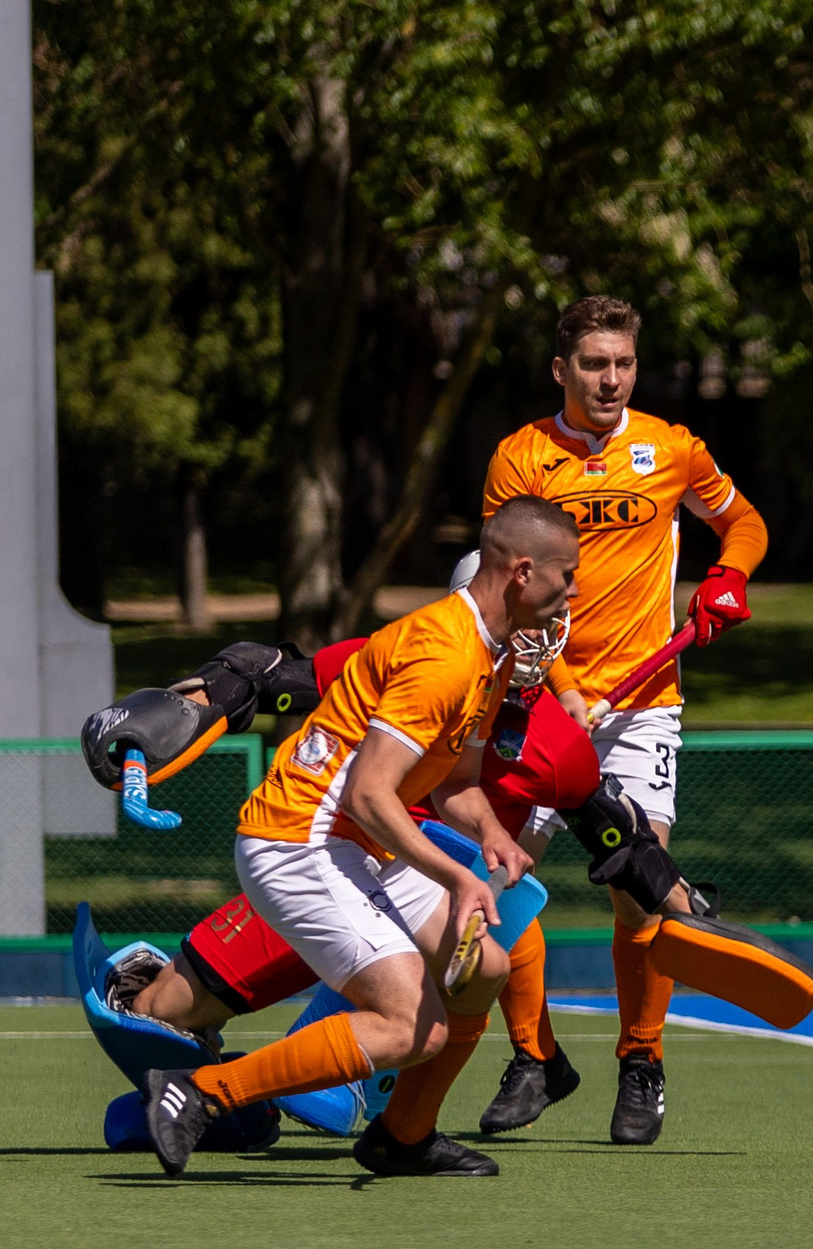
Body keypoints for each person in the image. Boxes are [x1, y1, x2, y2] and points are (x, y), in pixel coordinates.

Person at [142, 498, 575, 1178]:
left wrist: (493, 835)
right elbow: (370, 794)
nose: (571, 592)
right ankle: (198, 1092)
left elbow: (453, 783)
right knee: (412, 1024)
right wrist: (461, 877)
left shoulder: (493, 658)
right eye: (566, 575)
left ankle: (402, 1137)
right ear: (522, 572)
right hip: (298, 840)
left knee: (485, 968)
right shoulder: (446, 656)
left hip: (350, 837)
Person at [481, 294, 770, 1145]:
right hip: (537, 696)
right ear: (562, 370)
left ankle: (642, 1061)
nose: (612, 380)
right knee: (498, 886)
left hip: (643, 707)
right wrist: (561, 685)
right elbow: (510, 586)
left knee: (639, 890)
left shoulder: (672, 448)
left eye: (624, 364)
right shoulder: (521, 457)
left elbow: (741, 520)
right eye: (596, 365)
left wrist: (730, 575)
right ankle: (534, 1056)